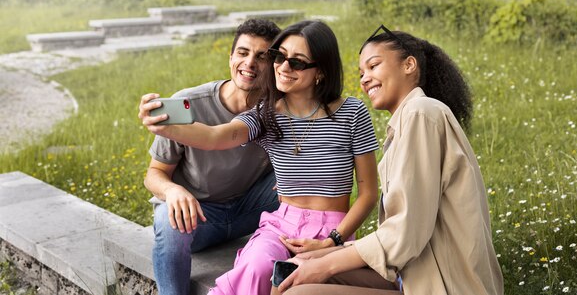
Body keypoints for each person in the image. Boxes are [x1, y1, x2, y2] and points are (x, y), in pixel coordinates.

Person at [139, 20, 379, 295]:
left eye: (297, 62)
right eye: (279, 57)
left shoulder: (351, 113)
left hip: (334, 226)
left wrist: (334, 240)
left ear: (321, 72)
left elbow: (369, 193)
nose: (283, 67)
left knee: (299, 279)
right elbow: (219, 136)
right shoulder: (266, 113)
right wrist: (166, 127)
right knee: (256, 267)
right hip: (281, 223)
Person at [275, 25, 504, 295]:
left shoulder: (421, 113)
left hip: (443, 284)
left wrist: (327, 264)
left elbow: (406, 230)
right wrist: (327, 252)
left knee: (300, 292)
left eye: (373, 66)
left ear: (408, 65)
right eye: (362, 73)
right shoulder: (405, 124)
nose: (365, 79)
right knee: (295, 270)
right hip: (415, 273)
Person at [141, 19, 282, 295]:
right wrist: (172, 191)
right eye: (243, 53)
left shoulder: (278, 111)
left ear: (275, 65)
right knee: (168, 222)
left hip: (249, 209)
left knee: (304, 181)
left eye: (262, 56)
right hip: (197, 217)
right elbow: (153, 174)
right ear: (231, 57)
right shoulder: (189, 104)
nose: (250, 63)